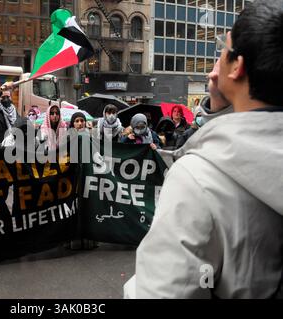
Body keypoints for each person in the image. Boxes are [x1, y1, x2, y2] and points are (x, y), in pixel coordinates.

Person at [125, 0, 283, 298]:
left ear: (237, 66)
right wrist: (221, 107)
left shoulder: (197, 180)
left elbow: (160, 291)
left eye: (224, 46)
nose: (217, 58)